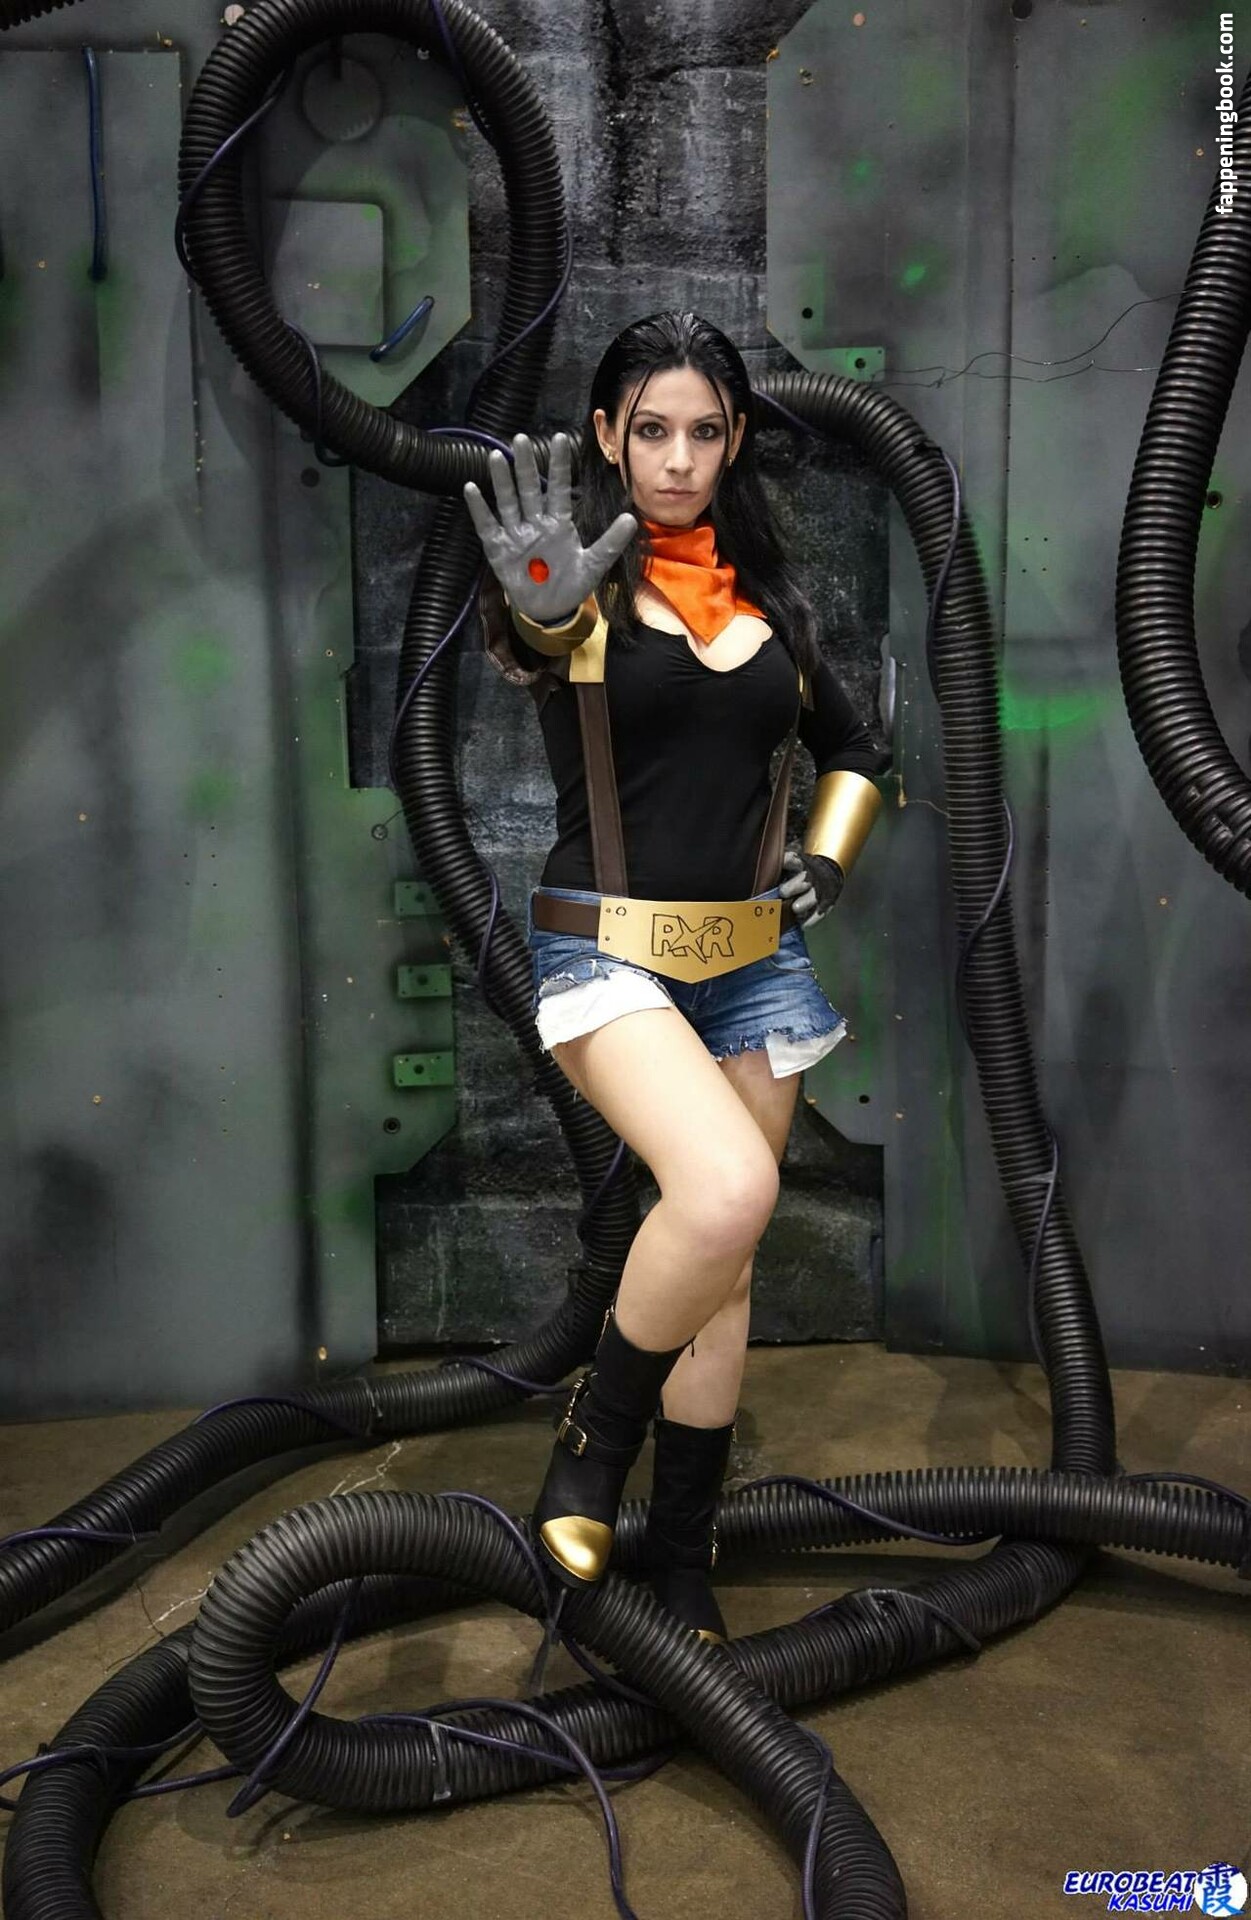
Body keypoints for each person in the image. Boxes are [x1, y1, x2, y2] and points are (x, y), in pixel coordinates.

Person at [465, 310, 882, 1644]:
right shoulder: (578, 593)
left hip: (755, 964)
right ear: (608, 436)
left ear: (737, 438)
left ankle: (685, 1562)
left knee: (726, 1260)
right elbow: (538, 635)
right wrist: (540, 606)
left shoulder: (777, 613)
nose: (680, 458)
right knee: (727, 1190)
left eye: (705, 431)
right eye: (652, 430)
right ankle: (595, 1440)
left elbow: (862, 753)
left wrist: (826, 858)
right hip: (607, 953)